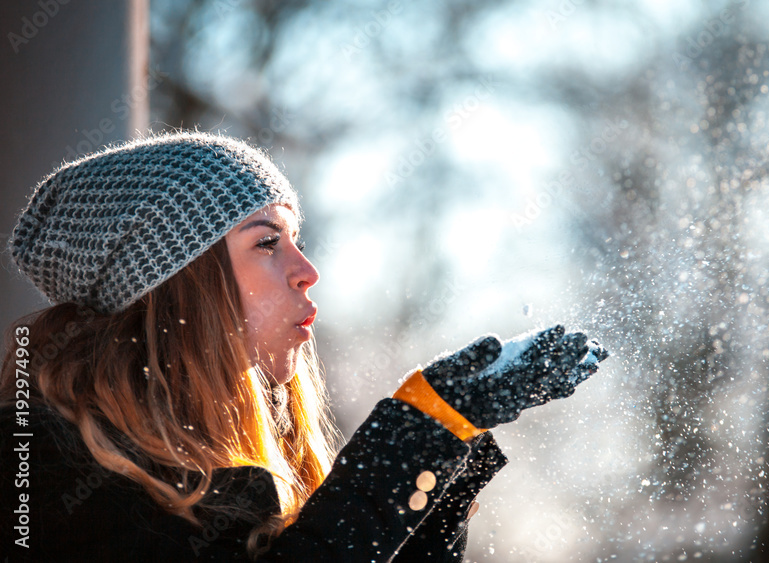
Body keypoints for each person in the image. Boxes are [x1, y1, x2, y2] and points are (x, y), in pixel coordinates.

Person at [0, 131, 608, 562]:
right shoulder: (41, 469)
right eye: (266, 243)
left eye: (296, 239)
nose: (306, 269)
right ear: (176, 282)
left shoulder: (259, 463)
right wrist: (414, 435)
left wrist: (445, 453)